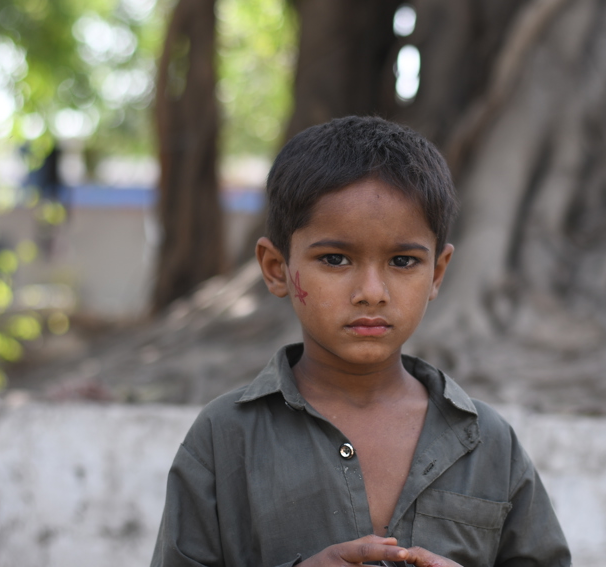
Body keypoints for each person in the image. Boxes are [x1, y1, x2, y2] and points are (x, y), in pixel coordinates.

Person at [151, 116, 571, 567]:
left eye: (403, 261)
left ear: (438, 273)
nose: (372, 291)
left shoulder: (486, 443)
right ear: (277, 268)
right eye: (335, 258)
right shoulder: (225, 438)